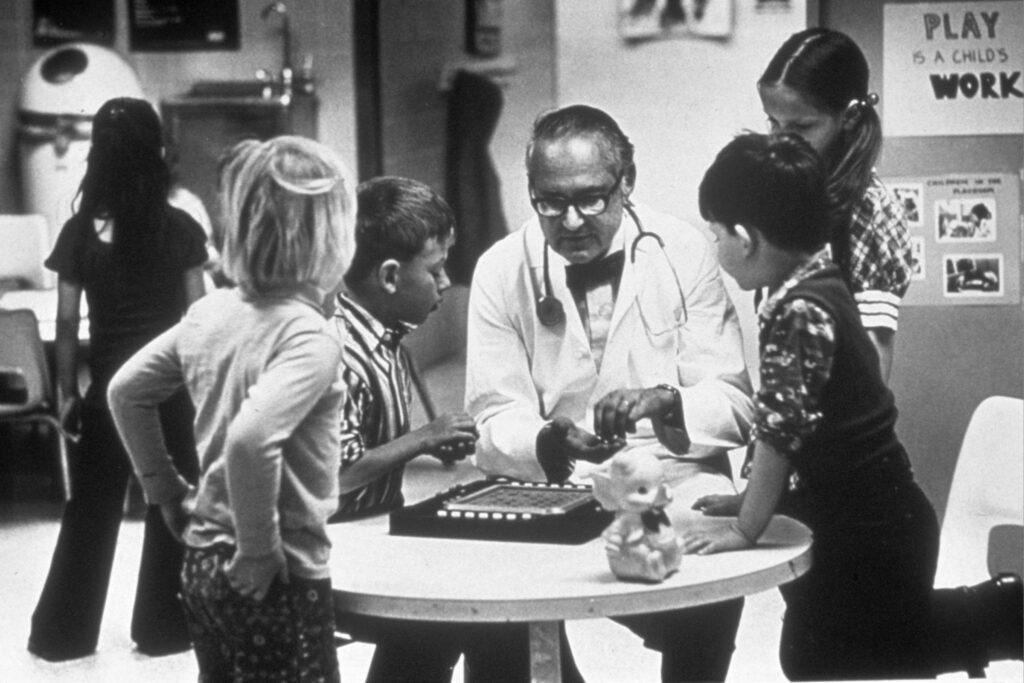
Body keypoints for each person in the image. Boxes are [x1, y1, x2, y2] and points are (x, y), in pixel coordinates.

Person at [684, 131, 1023, 681]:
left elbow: (780, 430)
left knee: (825, 658)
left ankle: (1005, 614)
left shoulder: (797, 310)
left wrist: (747, 525)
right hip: (872, 517)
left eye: (715, 234)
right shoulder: (823, 279)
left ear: (745, 238)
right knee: (823, 656)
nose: (715, 248)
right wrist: (750, 498)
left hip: (871, 530)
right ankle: (1001, 616)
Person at [465, 103, 754, 682]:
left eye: (591, 199)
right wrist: (548, 440)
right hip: (552, 481)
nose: (570, 221)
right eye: (550, 202)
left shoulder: (681, 251)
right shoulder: (501, 269)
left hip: (673, 471)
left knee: (706, 601)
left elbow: (735, 403)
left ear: (628, 182)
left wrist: (668, 401)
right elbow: (494, 415)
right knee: (493, 612)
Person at [107, 135, 357, 681]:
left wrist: (165, 490)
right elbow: (250, 440)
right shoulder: (309, 336)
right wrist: (258, 550)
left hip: (200, 565)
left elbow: (125, 392)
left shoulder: (209, 311)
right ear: (332, 238)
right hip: (277, 574)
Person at [28, 97, 207, 661]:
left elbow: (63, 323)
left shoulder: (81, 232)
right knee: (171, 504)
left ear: (97, 157)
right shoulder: (179, 228)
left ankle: (61, 635)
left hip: (107, 394)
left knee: (90, 510)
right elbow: (198, 319)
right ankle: (163, 627)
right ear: (157, 154)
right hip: (171, 393)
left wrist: (64, 394)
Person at [328, 176, 478, 681]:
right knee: (466, 611)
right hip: (336, 548)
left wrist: (423, 444)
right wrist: (423, 437)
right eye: (435, 270)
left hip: (373, 531)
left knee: (482, 601)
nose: (445, 283)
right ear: (390, 276)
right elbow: (340, 475)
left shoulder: (385, 334)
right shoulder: (339, 352)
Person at [758, 28, 910, 382]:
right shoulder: (795, 190)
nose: (780, 140)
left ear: (851, 117)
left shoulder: (872, 209)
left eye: (801, 127)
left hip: (842, 422)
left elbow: (874, 362)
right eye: (773, 122)